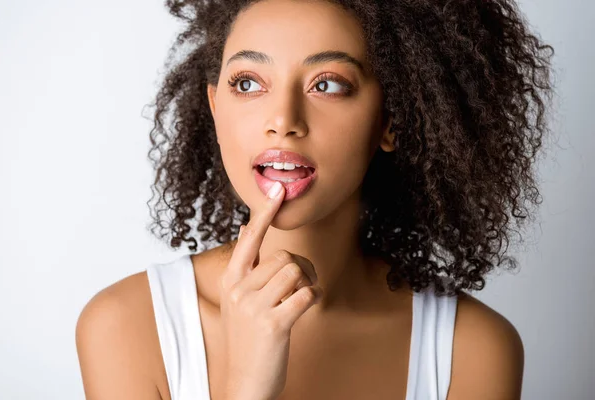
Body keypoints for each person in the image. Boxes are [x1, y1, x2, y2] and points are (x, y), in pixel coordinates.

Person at [75, 0, 554, 399]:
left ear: (392, 119)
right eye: (247, 83)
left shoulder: (473, 350)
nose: (283, 119)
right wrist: (246, 385)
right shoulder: (126, 327)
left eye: (327, 84)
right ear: (215, 108)